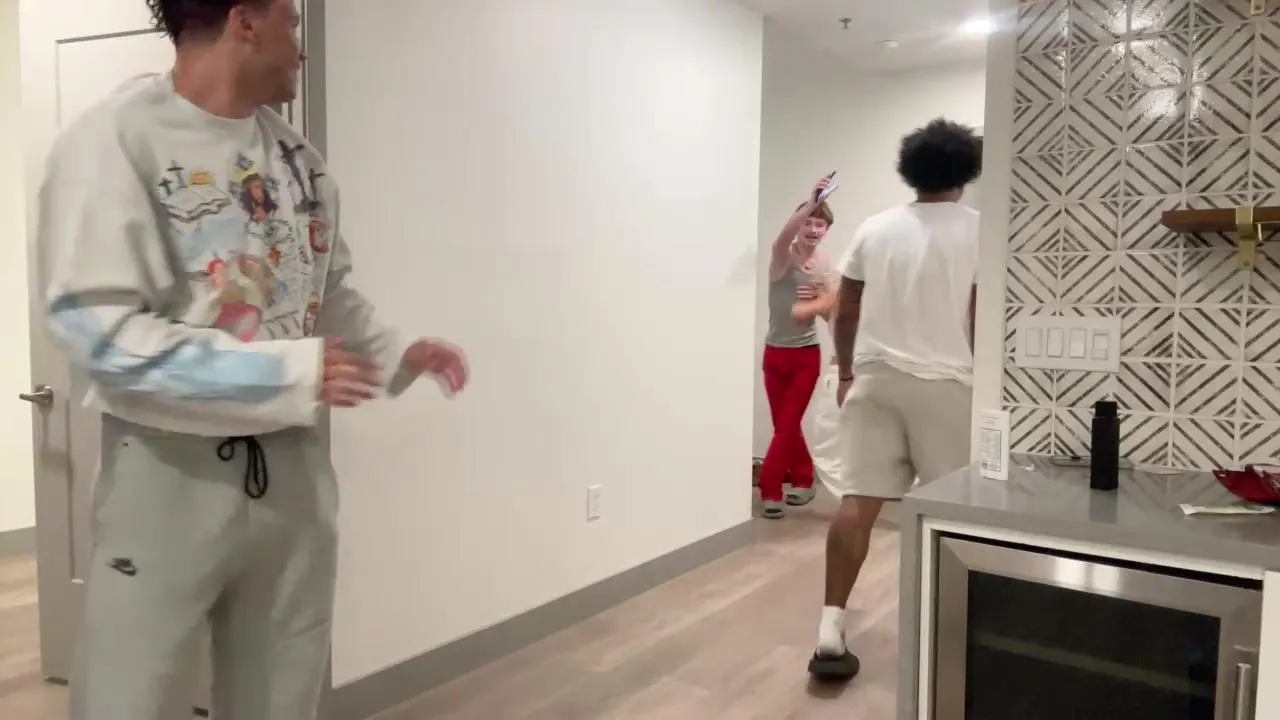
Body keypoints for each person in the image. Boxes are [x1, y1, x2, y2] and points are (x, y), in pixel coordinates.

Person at [38, 1, 469, 718]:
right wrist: (284, 371)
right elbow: (98, 332)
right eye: (291, 24)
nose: (300, 46)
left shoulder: (299, 163)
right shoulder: (113, 143)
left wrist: (395, 351)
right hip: (166, 471)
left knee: (284, 683)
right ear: (245, 23)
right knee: (130, 689)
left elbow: (325, 289)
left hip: (292, 468)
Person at [808, 118, 981, 681]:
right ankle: (946, 634)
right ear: (966, 172)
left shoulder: (875, 228)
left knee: (858, 500)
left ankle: (830, 630)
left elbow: (846, 308)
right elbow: (981, 314)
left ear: (910, 170)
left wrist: (846, 371)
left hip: (876, 378)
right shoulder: (982, 230)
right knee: (951, 514)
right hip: (950, 385)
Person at [759, 178, 835, 519]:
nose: (813, 229)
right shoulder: (782, 258)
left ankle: (770, 488)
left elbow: (830, 310)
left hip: (806, 356)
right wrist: (811, 201)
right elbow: (780, 238)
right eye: (809, 222)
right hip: (774, 353)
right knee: (784, 423)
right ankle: (804, 478)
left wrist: (820, 301)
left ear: (826, 230)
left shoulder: (824, 262)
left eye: (820, 224)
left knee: (787, 424)